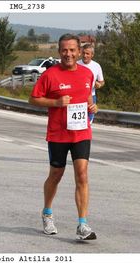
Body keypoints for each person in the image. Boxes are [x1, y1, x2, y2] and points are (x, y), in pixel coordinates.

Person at [29, 33, 98, 240]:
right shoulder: (50, 74)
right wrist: (55, 103)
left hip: (81, 132)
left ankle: (83, 224)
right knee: (56, 175)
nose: (68, 54)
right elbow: (33, 99)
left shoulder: (87, 74)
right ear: (59, 52)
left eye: (72, 50)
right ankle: (47, 213)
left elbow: (87, 96)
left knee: (82, 174)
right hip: (58, 133)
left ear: (78, 52)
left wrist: (93, 106)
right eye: (64, 50)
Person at [77, 43, 105, 124]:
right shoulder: (76, 64)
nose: (85, 55)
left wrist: (99, 85)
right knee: (77, 122)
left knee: (89, 122)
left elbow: (102, 81)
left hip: (91, 96)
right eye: (83, 53)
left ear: (92, 55)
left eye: (87, 54)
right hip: (78, 97)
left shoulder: (96, 66)